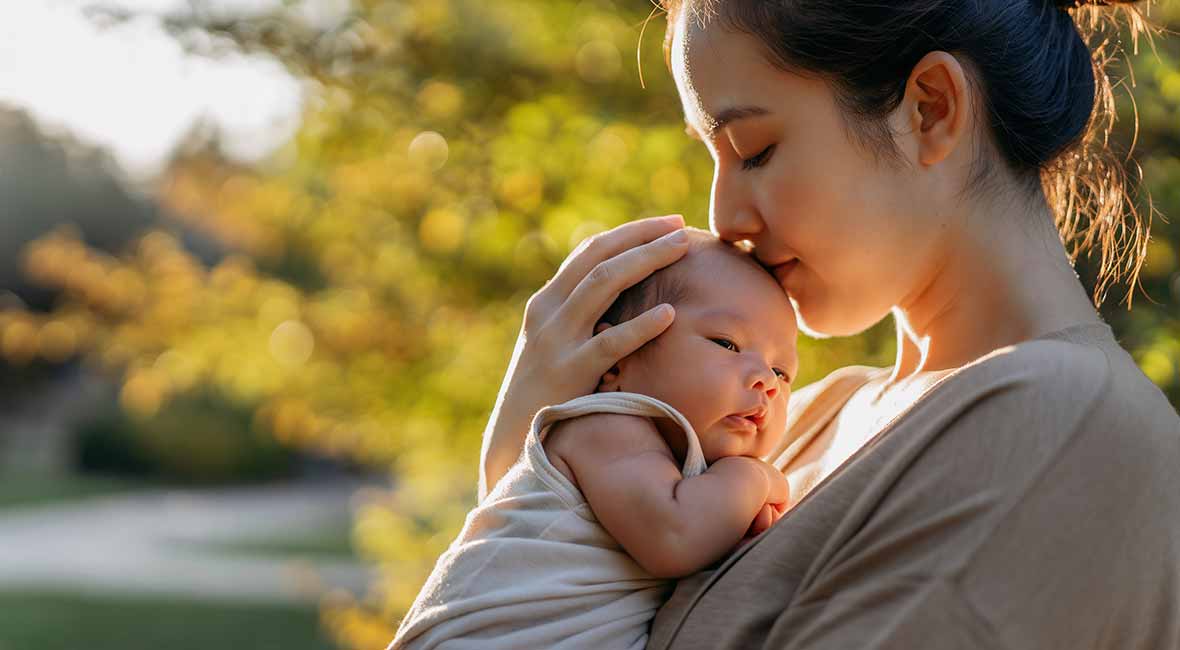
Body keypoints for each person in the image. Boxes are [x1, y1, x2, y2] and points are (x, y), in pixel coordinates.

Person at [477, 0, 1180, 647]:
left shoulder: (1061, 422)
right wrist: (523, 456)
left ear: (930, 110)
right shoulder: (811, 412)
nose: (724, 218)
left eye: (755, 150)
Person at [391, 230, 793, 649]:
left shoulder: (685, 472)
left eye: (783, 373)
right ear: (618, 359)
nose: (766, 381)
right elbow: (674, 536)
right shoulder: (602, 428)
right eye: (728, 343)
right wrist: (753, 480)